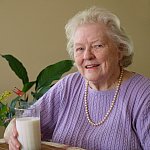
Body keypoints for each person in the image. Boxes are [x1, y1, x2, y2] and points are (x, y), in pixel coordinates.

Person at [4, 6, 150, 150]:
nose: (87, 56)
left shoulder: (143, 94)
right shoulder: (68, 85)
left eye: (98, 46)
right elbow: (22, 122)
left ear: (120, 50)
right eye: (80, 48)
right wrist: (12, 130)